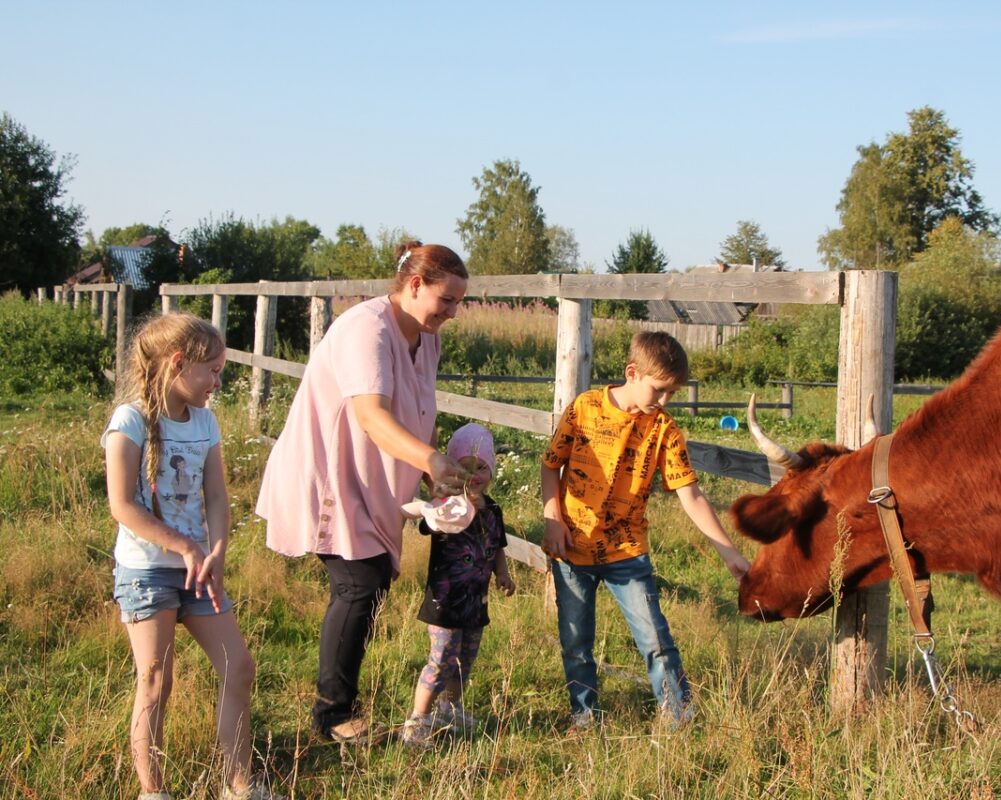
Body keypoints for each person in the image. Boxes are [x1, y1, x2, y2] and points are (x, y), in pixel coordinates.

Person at [255, 241, 470, 744]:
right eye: (447, 300)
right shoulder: (365, 328)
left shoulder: (426, 337)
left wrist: (431, 475)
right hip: (332, 473)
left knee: (368, 584)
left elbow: (421, 411)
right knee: (358, 584)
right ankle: (331, 717)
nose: (453, 312)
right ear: (414, 285)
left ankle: (338, 706)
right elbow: (370, 415)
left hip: (372, 477)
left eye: (459, 302)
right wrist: (431, 461)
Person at [103, 313, 281, 800]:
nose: (218, 383)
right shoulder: (132, 421)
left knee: (238, 667)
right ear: (179, 364)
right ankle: (152, 791)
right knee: (156, 679)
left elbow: (218, 496)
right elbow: (122, 504)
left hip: (200, 572)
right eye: (214, 371)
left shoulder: (205, 420)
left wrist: (217, 549)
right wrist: (182, 544)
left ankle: (240, 785)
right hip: (148, 572)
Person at [540, 331, 750, 730]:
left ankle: (678, 719)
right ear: (631, 373)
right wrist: (553, 515)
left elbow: (691, 495)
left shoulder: (664, 430)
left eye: (673, 392)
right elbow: (551, 464)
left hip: (627, 551)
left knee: (656, 638)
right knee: (575, 642)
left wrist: (730, 554)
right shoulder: (584, 409)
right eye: (659, 390)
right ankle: (585, 717)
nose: (664, 401)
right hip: (572, 547)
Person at [400, 423, 516, 747]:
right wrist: (442, 502)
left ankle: (448, 709)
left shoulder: (493, 510)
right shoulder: (446, 505)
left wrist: (503, 574)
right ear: (453, 470)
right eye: (465, 467)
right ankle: (417, 720)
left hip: (475, 602)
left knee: (465, 659)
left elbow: (498, 547)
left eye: (482, 467)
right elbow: (424, 521)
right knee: (441, 659)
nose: (475, 474)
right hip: (445, 601)